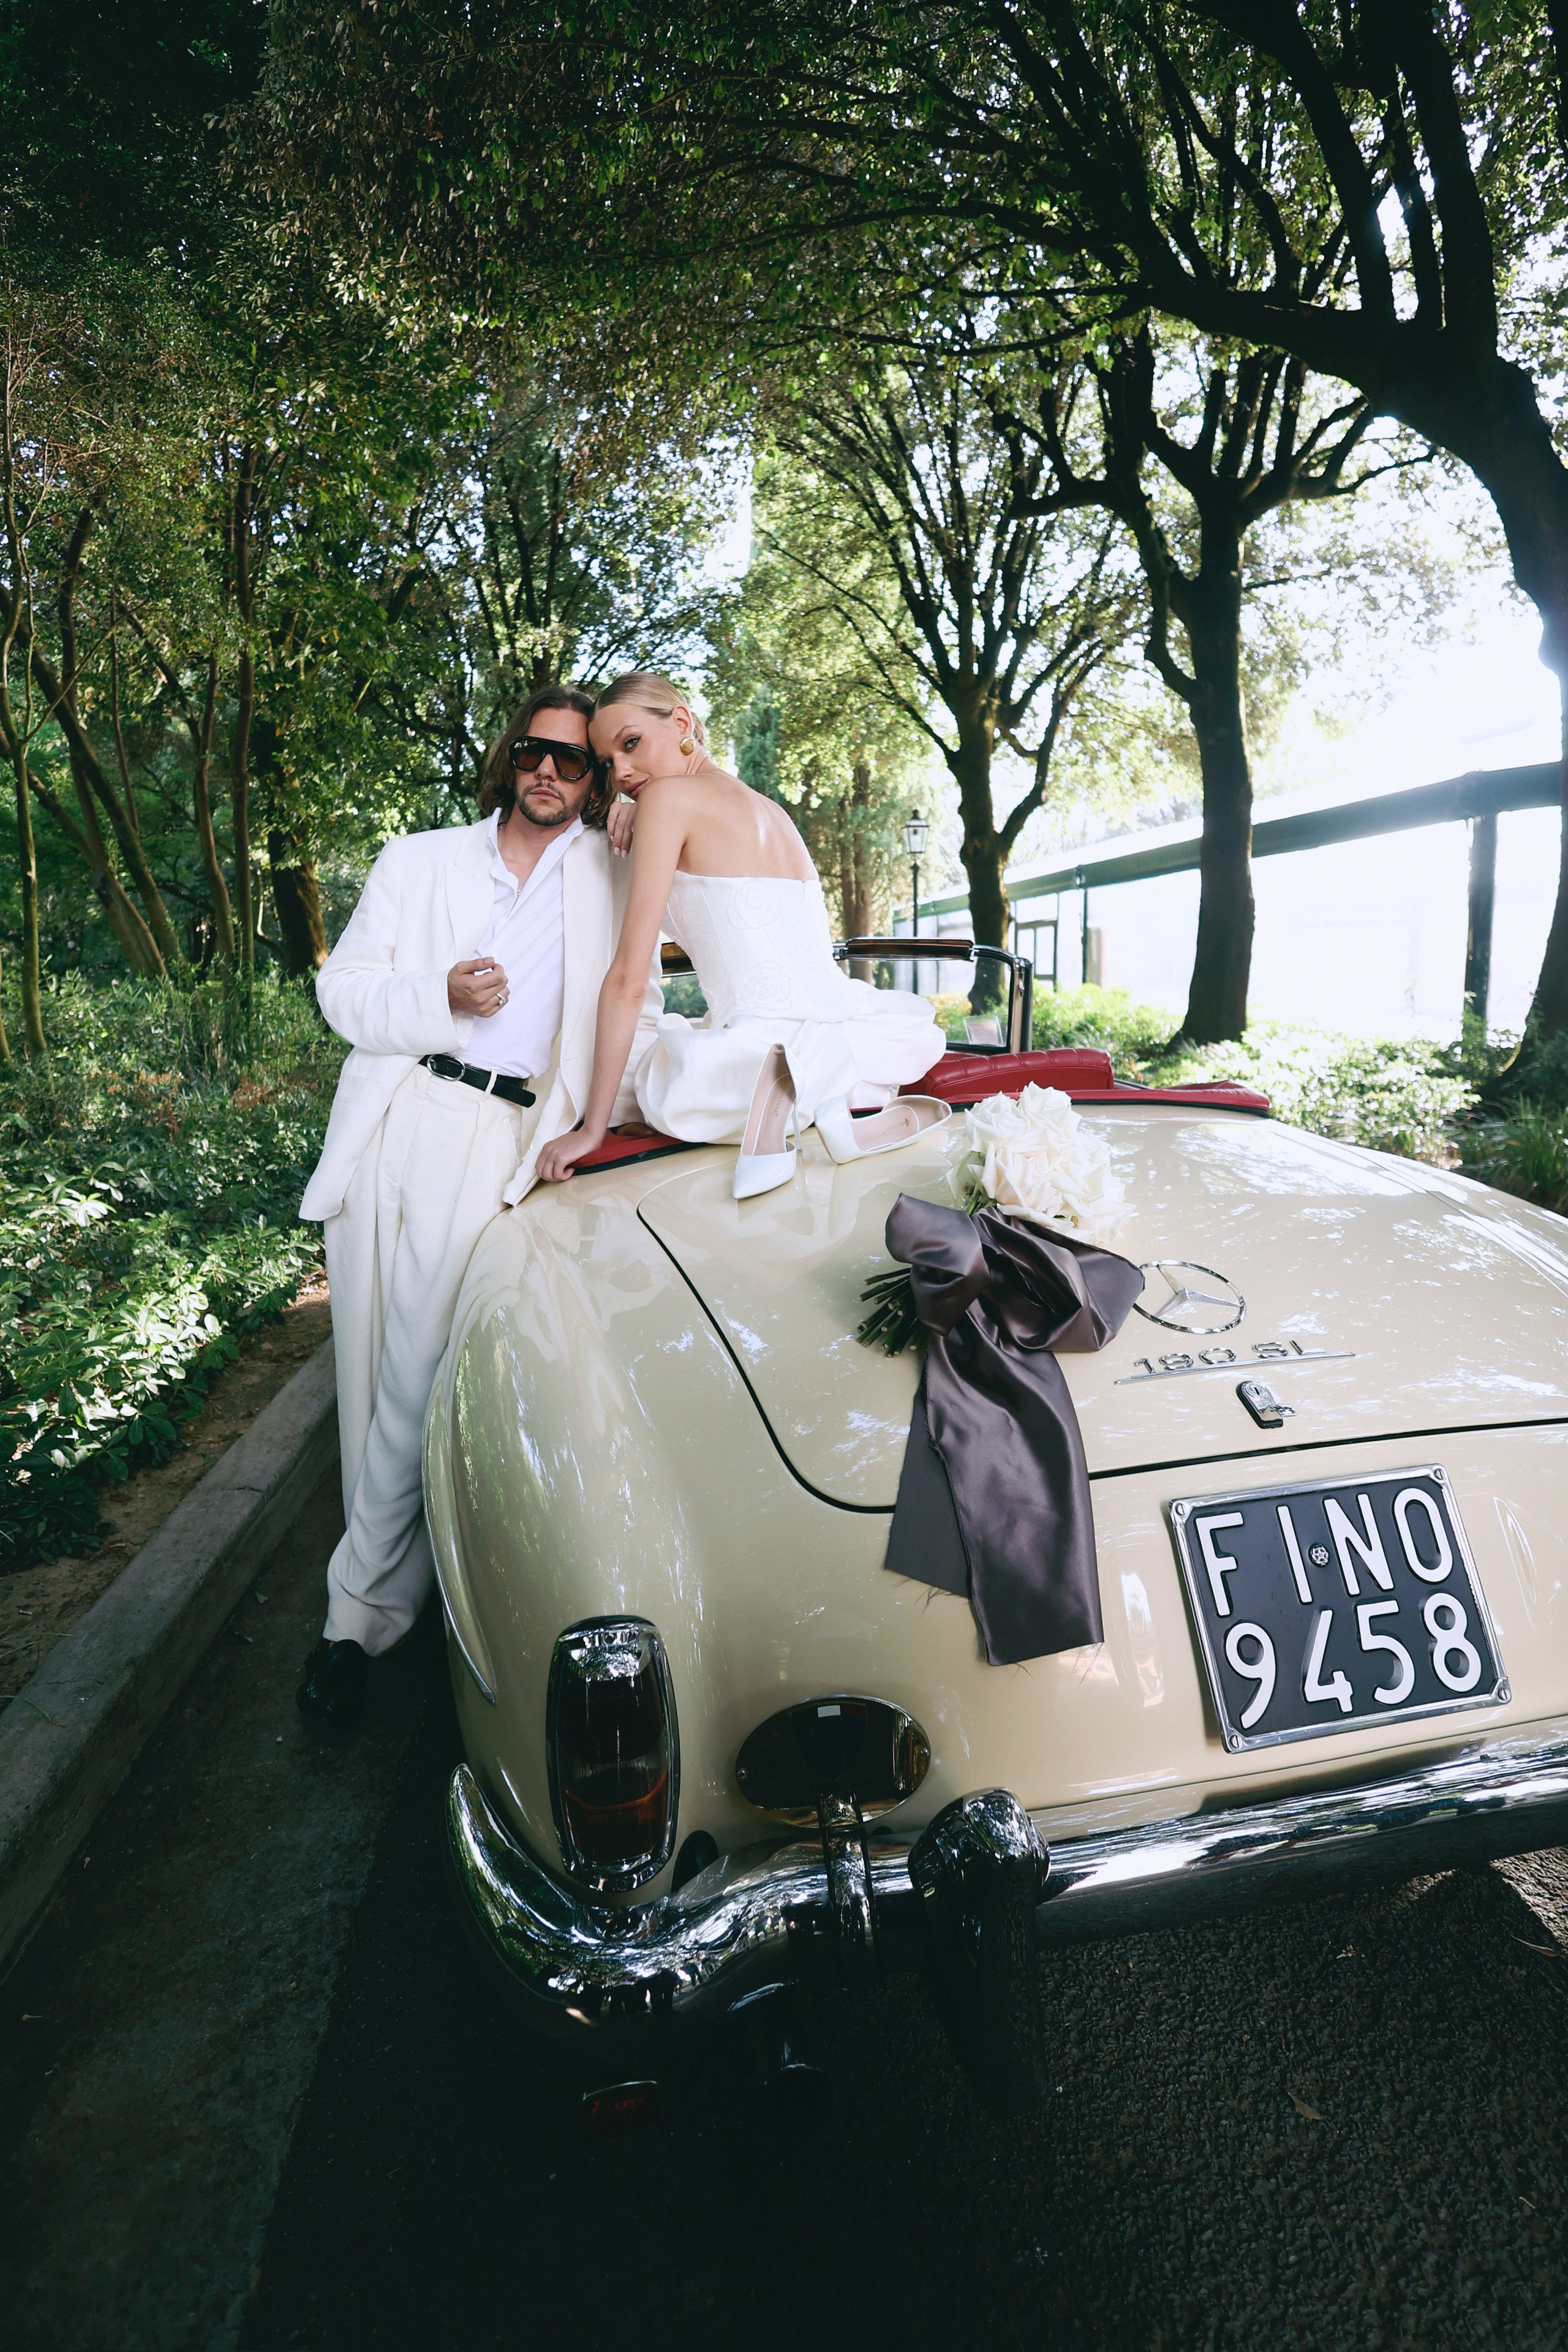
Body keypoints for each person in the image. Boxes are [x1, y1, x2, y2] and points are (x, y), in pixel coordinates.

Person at [294, 685, 663, 1730]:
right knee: (371, 1371)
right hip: (401, 1113)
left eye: (575, 761)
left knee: (420, 1375)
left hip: (501, 1143)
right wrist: (439, 999)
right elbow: (344, 991)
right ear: (511, 758)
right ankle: (388, 1598)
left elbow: (646, 982)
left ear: (593, 778)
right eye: (535, 752)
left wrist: (645, 810)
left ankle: (352, 1625)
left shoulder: (610, 867)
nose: (550, 771)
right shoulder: (418, 859)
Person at [536, 671, 948, 1198]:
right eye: (608, 763)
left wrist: (593, 1130)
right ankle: (829, 1102)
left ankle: (798, 1099)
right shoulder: (772, 812)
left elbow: (628, 977)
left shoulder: (666, 801)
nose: (623, 772)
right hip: (857, 1048)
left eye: (632, 743)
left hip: (757, 1067)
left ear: (682, 721)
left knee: (658, 1083)